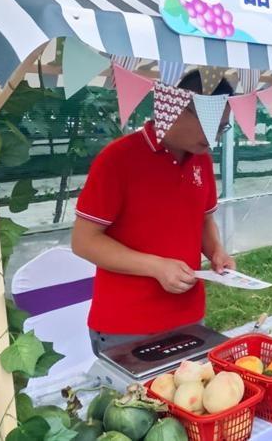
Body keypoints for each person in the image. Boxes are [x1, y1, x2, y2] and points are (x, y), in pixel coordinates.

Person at [72, 70, 235, 355]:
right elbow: (84, 241)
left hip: (189, 316)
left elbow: (204, 218)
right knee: (134, 400)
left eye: (222, 128)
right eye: (211, 125)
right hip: (127, 325)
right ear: (176, 106)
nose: (215, 137)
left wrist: (216, 252)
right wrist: (155, 267)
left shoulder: (202, 161)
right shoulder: (118, 159)